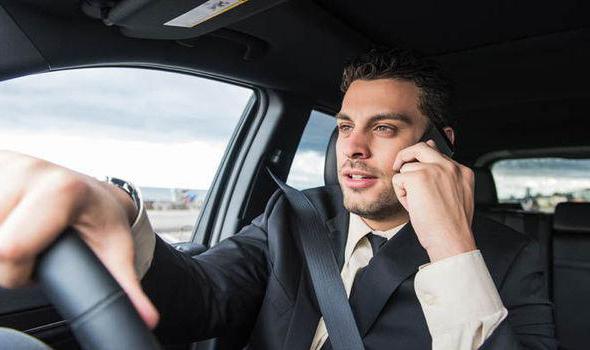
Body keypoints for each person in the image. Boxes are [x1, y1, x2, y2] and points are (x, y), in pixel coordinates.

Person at [0, 48, 556, 349]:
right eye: (344, 127)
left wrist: (452, 248)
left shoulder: (507, 255)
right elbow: (202, 295)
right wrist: (118, 210)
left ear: (438, 145)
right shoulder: (295, 217)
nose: (353, 149)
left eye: (383, 128)